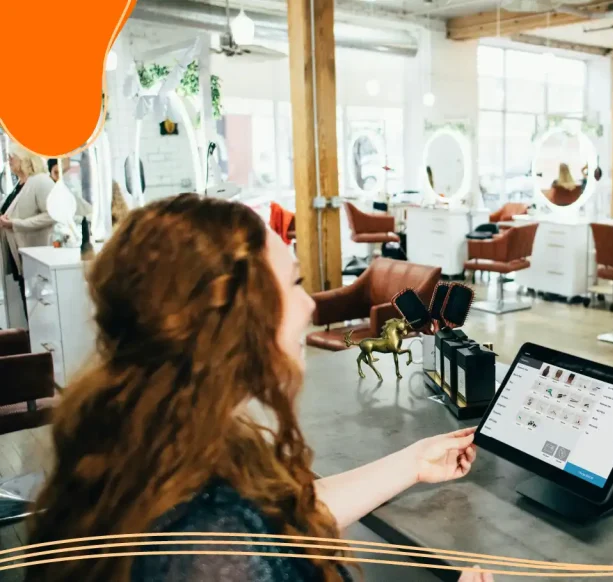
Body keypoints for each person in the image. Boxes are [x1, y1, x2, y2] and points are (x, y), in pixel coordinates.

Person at [27, 194, 493, 582]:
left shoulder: (153, 436)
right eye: (293, 283)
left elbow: (283, 518)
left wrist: (412, 463)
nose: (309, 305)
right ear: (234, 320)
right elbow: (245, 536)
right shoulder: (209, 547)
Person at [0, 143, 55, 314]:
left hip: (36, 258)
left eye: (12, 156)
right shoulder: (20, 185)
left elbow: (51, 215)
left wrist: (15, 224)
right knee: (30, 308)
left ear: (25, 158)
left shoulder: (41, 182)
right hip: (20, 257)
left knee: (40, 310)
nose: (9, 160)